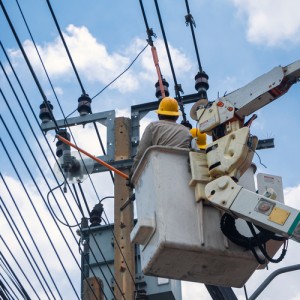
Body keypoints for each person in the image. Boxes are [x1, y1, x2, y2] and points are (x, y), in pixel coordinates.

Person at [131, 97, 192, 172]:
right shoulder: (186, 132)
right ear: (177, 116)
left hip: (159, 173)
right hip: (182, 174)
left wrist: (133, 174)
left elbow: (141, 154)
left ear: (159, 115)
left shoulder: (153, 127)